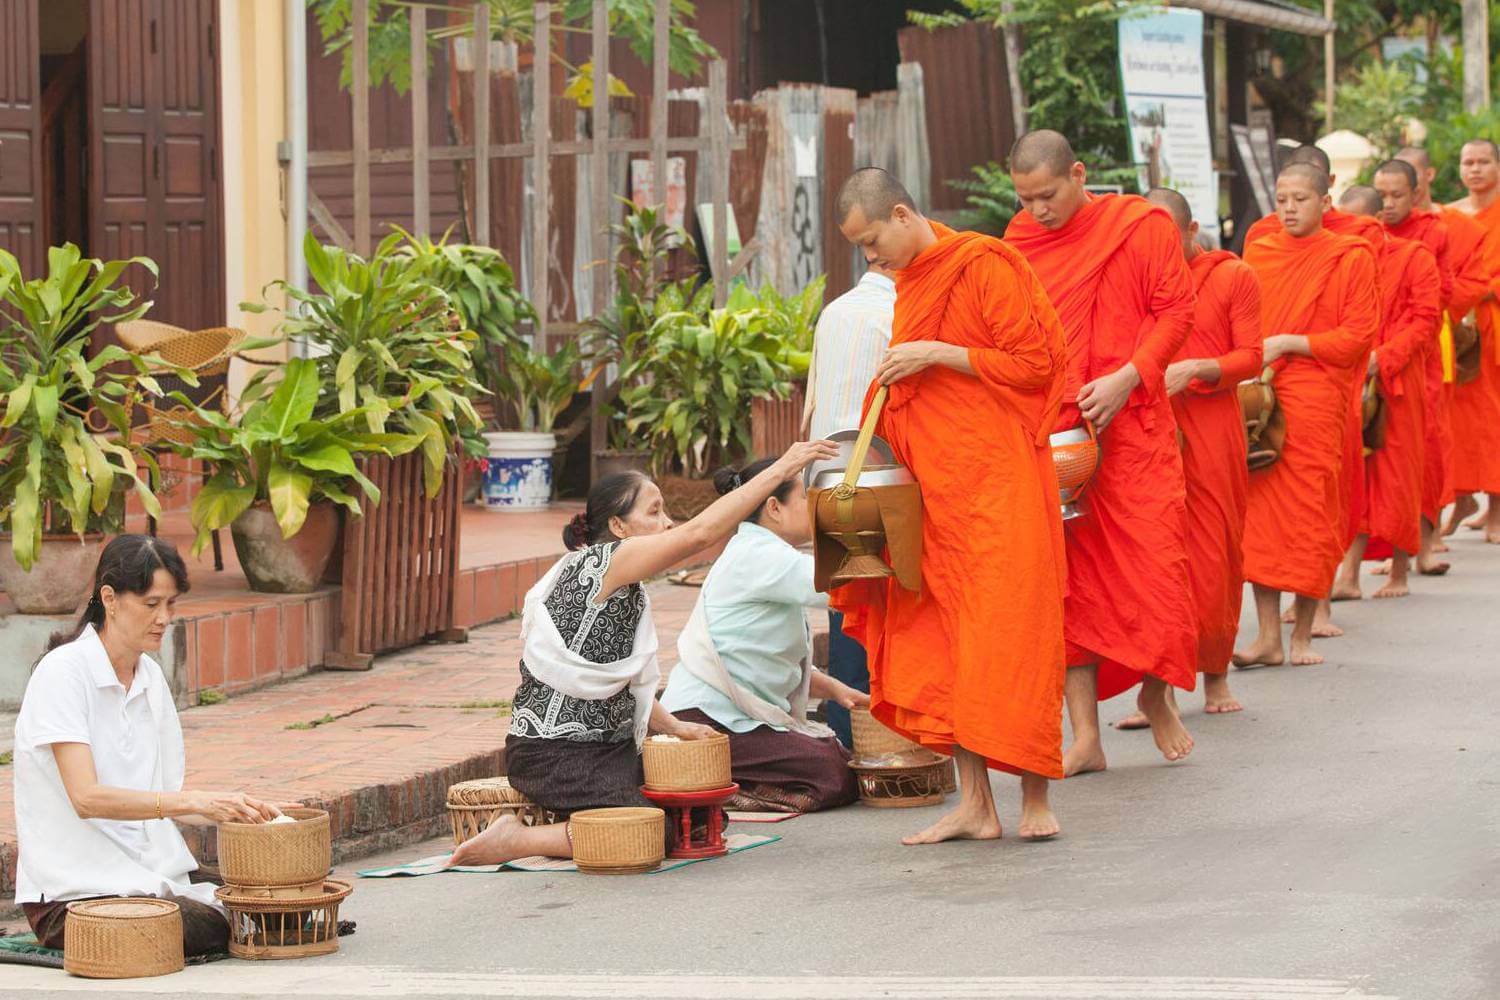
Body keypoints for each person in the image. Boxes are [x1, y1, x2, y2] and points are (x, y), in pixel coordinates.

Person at [448, 441, 838, 866]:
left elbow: (626, 683)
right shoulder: (604, 563)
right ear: (618, 526)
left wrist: (676, 727)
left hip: (609, 751)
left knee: (703, 820)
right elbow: (699, 533)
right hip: (554, 754)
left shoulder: (625, 580)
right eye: (653, 513)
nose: (667, 523)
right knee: (657, 831)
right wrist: (781, 468)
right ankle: (517, 840)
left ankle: (580, 820)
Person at [830, 166, 1068, 844]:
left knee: (1012, 633)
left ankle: (1035, 798)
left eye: (873, 241)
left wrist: (938, 352)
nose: (871, 258)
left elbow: (1034, 365)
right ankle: (975, 805)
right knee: (947, 641)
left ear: (903, 215)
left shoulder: (983, 263)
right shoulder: (910, 284)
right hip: (936, 488)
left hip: (1000, 483)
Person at [1004, 130, 1197, 775]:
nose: (1038, 211)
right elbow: (1015, 330)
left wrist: (1129, 375)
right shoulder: (1019, 242)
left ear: (1080, 174)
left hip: (1135, 425)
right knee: (1071, 586)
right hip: (1058, 433)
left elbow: (1177, 312)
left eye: (1048, 195)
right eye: (1026, 199)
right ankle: (1084, 735)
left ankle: (1157, 691)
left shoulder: (1139, 228)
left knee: (1157, 567)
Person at [14, 535, 286, 956]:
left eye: (170, 604)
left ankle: (231, 911)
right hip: (72, 897)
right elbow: (86, 798)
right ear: (110, 598)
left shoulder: (149, 677)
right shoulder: (63, 673)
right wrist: (192, 801)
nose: (163, 617)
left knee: (275, 902)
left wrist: (234, 807)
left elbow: (160, 800)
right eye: (150, 603)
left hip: (144, 875)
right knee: (205, 923)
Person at [1114, 188, 1262, 730]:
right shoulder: (1139, 280)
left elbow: (1251, 355)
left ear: (1192, 230)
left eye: (1167, 239)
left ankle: (1215, 673)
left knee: (1214, 550)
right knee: (1155, 556)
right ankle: (1157, 690)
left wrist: (1199, 368)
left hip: (1213, 426)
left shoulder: (1232, 276)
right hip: (1151, 425)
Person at [1234, 164, 1380, 668]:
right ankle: (1268, 636)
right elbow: (1243, 322)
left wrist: (1291, 342)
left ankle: (1303, 632)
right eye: (1281, 199)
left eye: (1300, 198)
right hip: (1262, 396)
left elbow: (1358, 336)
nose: (1289, 208)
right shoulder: (1260, 251)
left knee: (1310, 511)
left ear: (1324, 202)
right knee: (1262, 518)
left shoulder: (1349, 256)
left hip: (1317, 395)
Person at [660, 458, 865, 813]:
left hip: (730, 718)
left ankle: (724, 782)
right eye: (806, 498)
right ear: (774, 507)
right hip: (705, 720)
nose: (815, 506)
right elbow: (836, 581)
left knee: (838, 761)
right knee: (833, 772)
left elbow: (761, 659)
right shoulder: (758, 555)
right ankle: (723, 788)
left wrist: (833, 688)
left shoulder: (763, 552)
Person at [1328, 183, 1441, 600]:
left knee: (1397, 475)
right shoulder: (1342, 260)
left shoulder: (1414, 257)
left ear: (1374, 225)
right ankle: (1349, 575)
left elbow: (1425, 320)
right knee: (1355, 475)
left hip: (1399, 380)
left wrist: (1385, 356)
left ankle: (1399, 570)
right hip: (1351, 373)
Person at [801, 263, 897, 749]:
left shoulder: (834, 311)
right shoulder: (899, 311)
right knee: (882, 605)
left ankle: (848, 733)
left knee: (846, 604)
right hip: (876, 468)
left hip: (825, 465)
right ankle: (879, 735)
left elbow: (814, 395)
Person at [1443, 139, 1500, 543]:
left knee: (1494, 418)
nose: (1475, 169)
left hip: (1493, 322)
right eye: (1468, 162)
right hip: (1461, 328)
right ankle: (1462, 497)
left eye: (1483, 162)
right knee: (1461, 421)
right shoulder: (1451, 215)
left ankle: (1497, 509)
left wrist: (1483, 288)